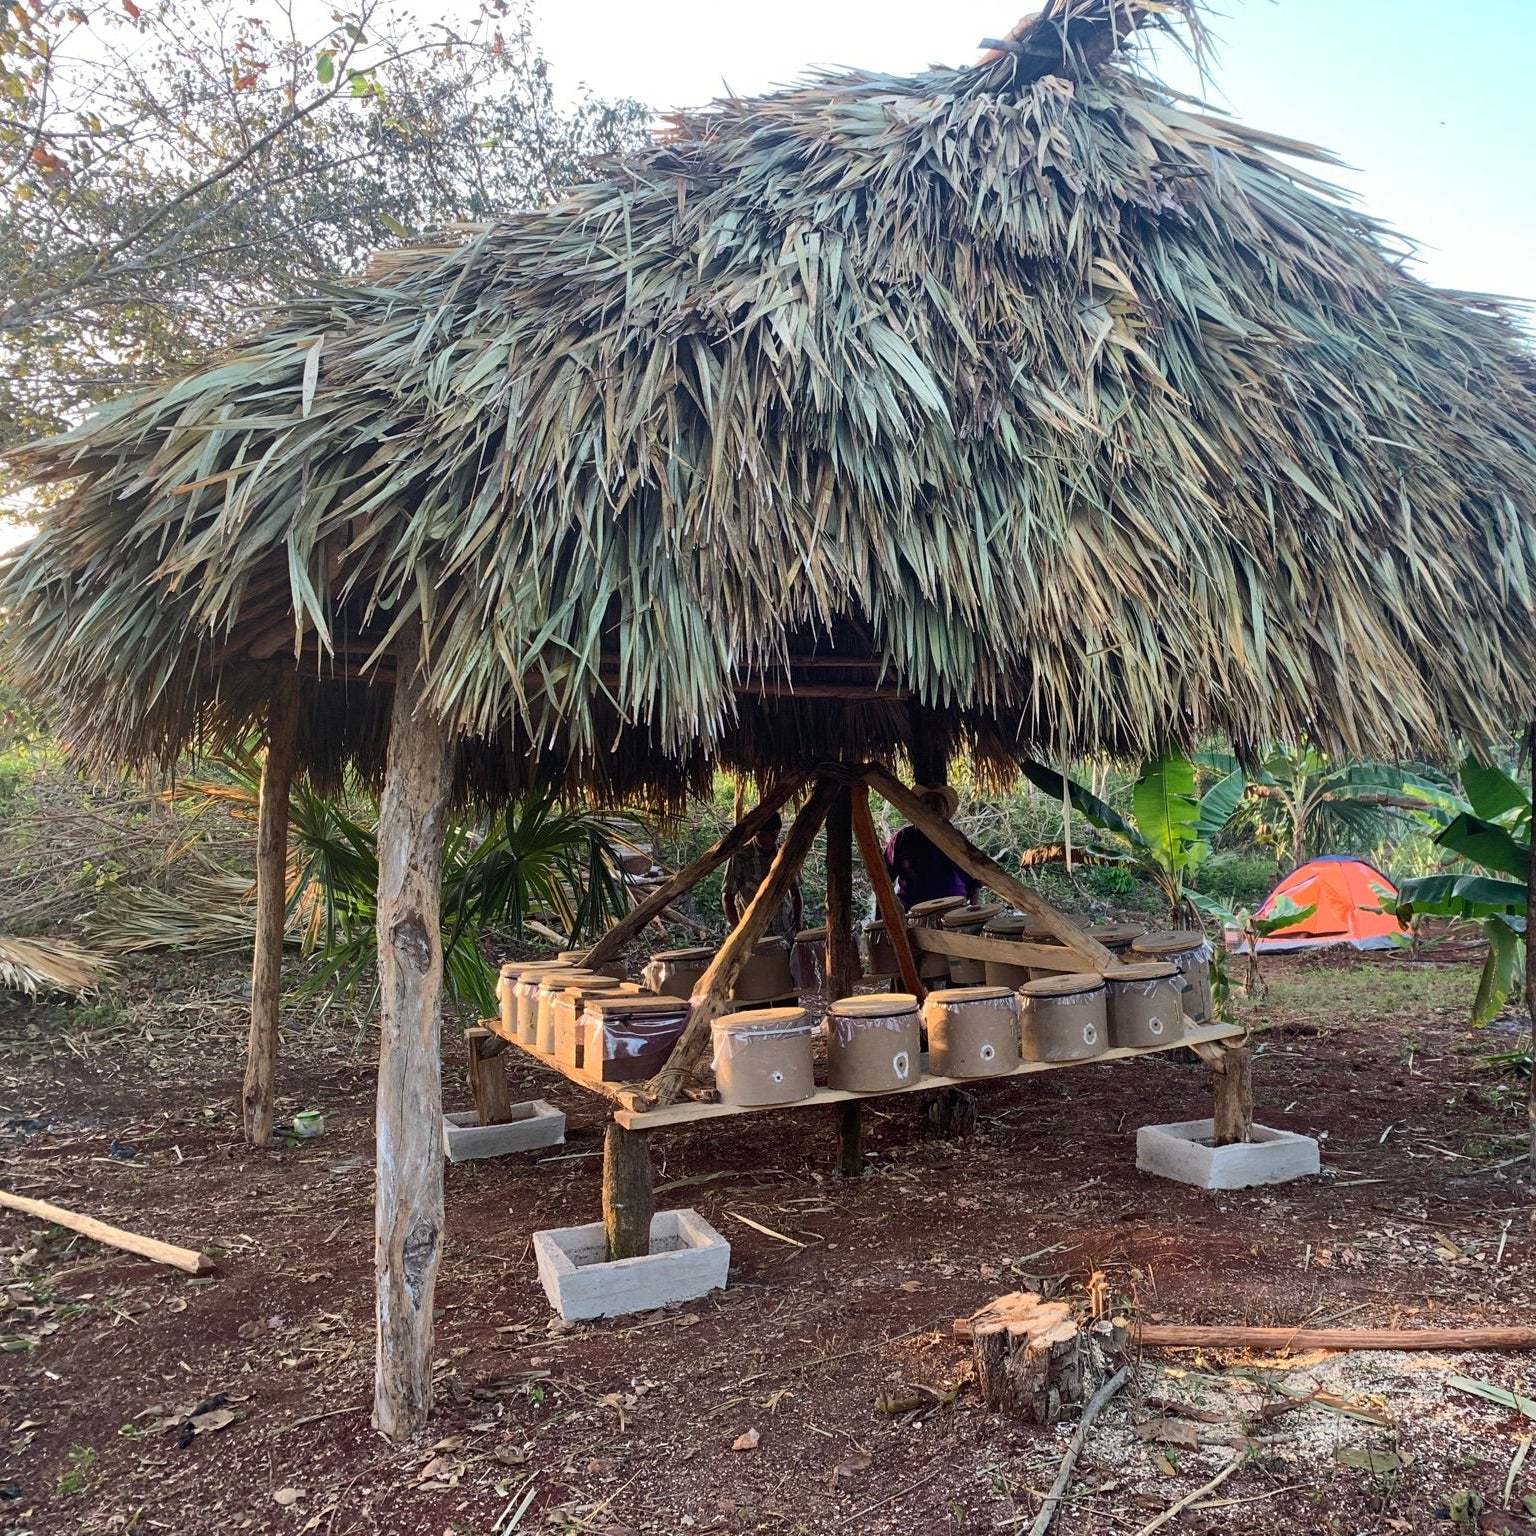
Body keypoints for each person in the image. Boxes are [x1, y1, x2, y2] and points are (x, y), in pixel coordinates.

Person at [885, 784, 978, 910]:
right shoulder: (903, 838)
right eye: (925, 803)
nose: (930, 807)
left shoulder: (956, 838)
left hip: (954, 913)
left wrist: (973, 913)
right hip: (913, 914)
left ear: (946, 809)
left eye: (937, 803)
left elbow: (973, 880)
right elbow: (883, 877)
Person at [722, 811, 803, 938]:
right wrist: (739, 933)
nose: (768, 840)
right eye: (763, 835)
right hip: (754, 934)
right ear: (755, 833)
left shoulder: (786, 856)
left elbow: (795, 893)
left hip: (785, 930)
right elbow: (728, 898)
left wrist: (798, 924)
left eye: (773, 835)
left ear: (778, 832)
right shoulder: (741, 858)